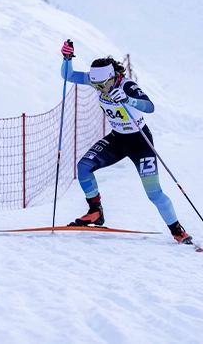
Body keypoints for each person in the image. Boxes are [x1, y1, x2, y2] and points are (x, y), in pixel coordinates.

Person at [60, 39, 191, 244]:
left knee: (154, 193)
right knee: (83, 167)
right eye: (96, 85)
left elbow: (150, 107)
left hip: (140, 142)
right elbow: (68, 76)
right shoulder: (98, 80)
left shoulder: (127, 86)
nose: (100, 89)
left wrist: (128, 100)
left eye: (103, 85)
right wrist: (67, 59)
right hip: (117, 138)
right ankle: (95, 212)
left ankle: (177, 230)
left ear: (113, 77)